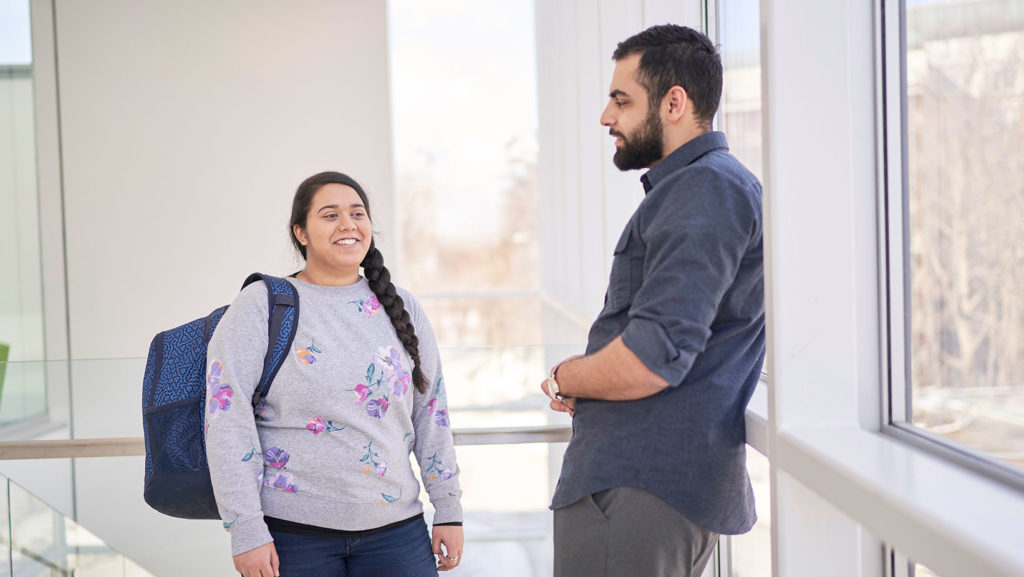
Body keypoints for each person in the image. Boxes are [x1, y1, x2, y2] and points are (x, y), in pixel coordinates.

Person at [541, 24, 765, 577]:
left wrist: (568, 378)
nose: (606, 116)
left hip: (636, 490)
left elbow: (652, 355)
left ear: (673, 103)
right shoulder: (702, 187)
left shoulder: (704, 188)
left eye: (621, 100)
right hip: (648, 488)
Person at [205, 172, 463, 577]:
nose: (348, 224)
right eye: (330, 215)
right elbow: (227, 417)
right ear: (300, 232)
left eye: (357, 213)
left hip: (398, 534)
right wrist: (245, 528)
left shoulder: (403, 307)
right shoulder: (262, 305)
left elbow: (432, 412)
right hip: (292, 538)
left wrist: (448, 508)